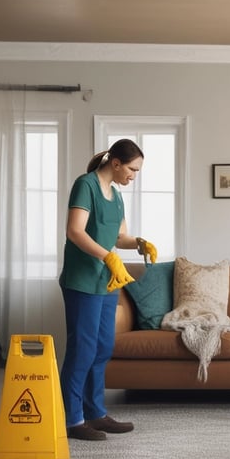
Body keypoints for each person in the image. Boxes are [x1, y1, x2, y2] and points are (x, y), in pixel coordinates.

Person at [59, 139, 157, 441]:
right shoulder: (85, 185)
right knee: (82, 349)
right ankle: (73, 420)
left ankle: (96, 413)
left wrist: (138, 242)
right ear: (115, 163)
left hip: (106, 281)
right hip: (82, 281)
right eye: (132, 169)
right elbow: (74, 231)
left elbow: (120, 237)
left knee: (102, 348)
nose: (134, 175)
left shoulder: (115, 195)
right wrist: (108, 256)